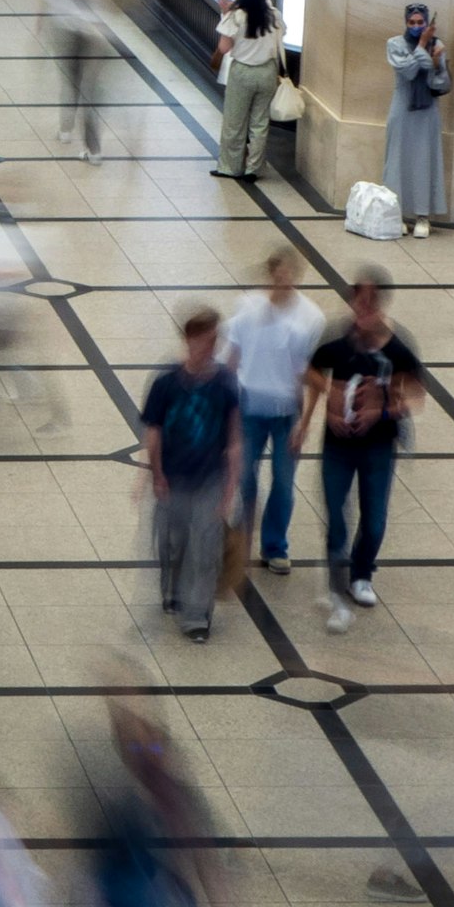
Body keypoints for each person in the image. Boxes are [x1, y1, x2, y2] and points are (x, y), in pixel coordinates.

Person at [306, 275, 426, 631]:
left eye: (370, 303)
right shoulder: (335, 340)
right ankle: (336, 589)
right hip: (337, 446)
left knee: (374, 519)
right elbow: (309, 369)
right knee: (337, 518)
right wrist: (329, 398)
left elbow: (416, 396)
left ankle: (362, 572)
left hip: (377, 446)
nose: (362, 309)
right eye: (358, 301)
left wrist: (382, 410)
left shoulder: (398, 349)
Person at [137, 307, 244, 643]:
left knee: (205, 546)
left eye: (215, 340)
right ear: (188, 339)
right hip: (172, 475)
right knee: (172, 542)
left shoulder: (226, 383)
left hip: (209, 478)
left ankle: (197, 614)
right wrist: (153, 474)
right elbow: (153, 431)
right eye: (203, 339)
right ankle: (172, 590)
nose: (209, 347)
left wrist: (229, 486)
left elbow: (234, 437)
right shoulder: (166, 383)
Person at [219, 250, 322, 577]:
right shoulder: (248, 309)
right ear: (270, 275)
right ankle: (243, 538)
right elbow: (232, 360)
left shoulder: (310, 318)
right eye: (278, 276)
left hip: (285, 411)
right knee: (245, 477)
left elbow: (309, 374)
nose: (284, 282)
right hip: (249, 406)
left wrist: (303, 423)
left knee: (283, 481)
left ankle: (275, 545)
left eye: (290, 276)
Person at [384, 2, 451, 235]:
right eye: (411, 22)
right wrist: (423, 48)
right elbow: (408, 71)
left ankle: (423, 217)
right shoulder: (395, 44)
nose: (415, 26)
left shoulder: (439, 46)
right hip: (402, 109)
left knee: (425, 161)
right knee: (397, 160)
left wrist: (435, 65)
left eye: (420, 22)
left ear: (427, 23)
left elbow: (441, 83)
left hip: (427, 112)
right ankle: (397, 213)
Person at [211, 0, 281, 180]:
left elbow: (224, 48)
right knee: (260, 123)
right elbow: (279, 38)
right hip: (268, 71)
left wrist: (225, 14)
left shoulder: (237, 16)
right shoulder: (274, 14)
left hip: (243, 71)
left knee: (235, 122)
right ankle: (254, 168)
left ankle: (230, 167)